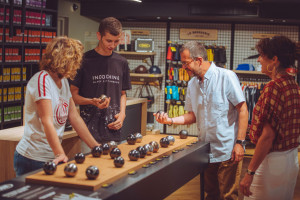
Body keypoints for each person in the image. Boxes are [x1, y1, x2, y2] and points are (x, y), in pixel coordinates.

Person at [154, 41, 248, 200]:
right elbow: (192, 116)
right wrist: (170, 120)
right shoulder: (192, 84)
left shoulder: (226, 77)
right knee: (210, 195)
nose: (183, 67)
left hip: (228, 150)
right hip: (205, 150)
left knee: (229, 196)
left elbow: (243, 110)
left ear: (198, 60)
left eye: (185, 63)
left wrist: (240, 143)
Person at [14, 36, 100, 176]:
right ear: (63, 60)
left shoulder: (64, 81)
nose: (76, 66)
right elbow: (46, 121)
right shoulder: (42, 80)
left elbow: (74, 117)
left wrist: (95, 147)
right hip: (33, 157)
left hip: (51, 156)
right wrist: (60, 154)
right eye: (74, 61)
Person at [240, 36, 300, 200]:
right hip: (291, 159)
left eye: (262, 55)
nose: (259, 59)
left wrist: (249, 172)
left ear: (274, 60)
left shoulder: (273, 87)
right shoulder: (293, 85)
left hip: (272, 162)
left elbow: (268, 136)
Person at [70, 17, 131, 145]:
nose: (112, 45)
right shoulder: (83, 61)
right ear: (99, 36)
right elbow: (72, 96)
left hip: (114, 131)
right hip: (88, 133)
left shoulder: (122, 62)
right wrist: (91, 102)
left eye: (116, 41)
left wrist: (122, 115)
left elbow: (123, 94)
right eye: (109, 41)